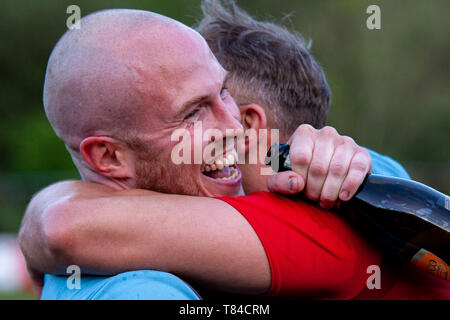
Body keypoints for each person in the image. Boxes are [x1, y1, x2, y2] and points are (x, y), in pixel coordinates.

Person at [20, 4, 442, 300]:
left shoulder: (324, 200)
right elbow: (62, 227)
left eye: (224, 92)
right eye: (193, 112)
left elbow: (61, 227)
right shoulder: (137, 287)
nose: (234, 126)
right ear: (109, 158)